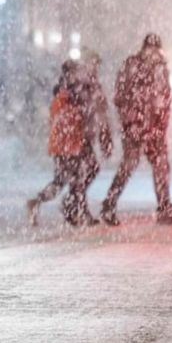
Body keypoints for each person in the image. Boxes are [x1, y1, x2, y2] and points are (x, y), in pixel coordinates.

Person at [101, 33, 172, 226]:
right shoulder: (132, 66)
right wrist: (131, 122)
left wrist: (160, 124)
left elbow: (165, 99)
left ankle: (164, 208)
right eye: (150, 49)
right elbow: (120, 97)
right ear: (144, 49)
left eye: (155, 50)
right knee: (129, 166)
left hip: (153, 128)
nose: (153, 53)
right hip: (135, 127)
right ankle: (109, 205)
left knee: (160, 167)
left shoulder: (161, 69)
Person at [28, 59, 109, 226]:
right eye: (74, 72)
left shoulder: (67, 92)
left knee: (67, 180)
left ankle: (46, 203)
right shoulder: (67, 95)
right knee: (75, 180)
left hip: (67, 144)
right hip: (69, 145)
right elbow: (72, 118)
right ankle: (73, 211)